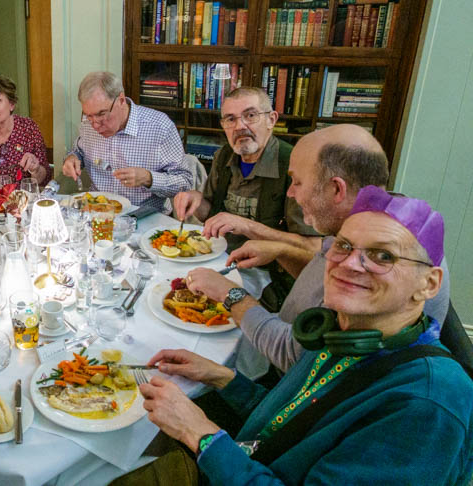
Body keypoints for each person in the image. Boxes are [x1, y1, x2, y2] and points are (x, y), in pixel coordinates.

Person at [131, 189, 473, 484]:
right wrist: (222, 377)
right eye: (343, 246)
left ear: (428, 284)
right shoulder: (343, 333)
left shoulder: (426, 406)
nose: (351, 264)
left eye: (383, 255)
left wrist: (201, 435)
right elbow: (290, 420)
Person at [186, 125, 451, 373]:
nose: (291, 193)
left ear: (336, 188)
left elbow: (291, 356)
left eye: (297, 182)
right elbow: (320, 277)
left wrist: (231, 294)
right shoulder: (376, 218)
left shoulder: (376, 262)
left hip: (284, 382)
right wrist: (282, 251)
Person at [172, 87, 316, 251]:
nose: (239, 126)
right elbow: (212, 216)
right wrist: (196, 200)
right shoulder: (223, 156)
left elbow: (312, 247)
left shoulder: (296, 166)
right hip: (219, 253)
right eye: (230, 119)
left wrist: (246, 226)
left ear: (271, 120)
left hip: (267, 270)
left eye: (251, 116)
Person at [61, 71, 199, 211]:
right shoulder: (87, 125)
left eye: (101, 114)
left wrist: (148, 178)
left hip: (144, 217)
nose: (95, 125)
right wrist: (72, 158)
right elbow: (78, 151)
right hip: (96, 213)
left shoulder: (159, 127)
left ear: (121, 100)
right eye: (89, 115)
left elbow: (184, 183)